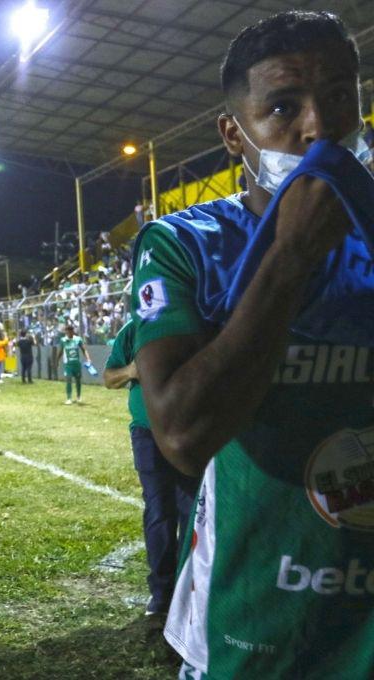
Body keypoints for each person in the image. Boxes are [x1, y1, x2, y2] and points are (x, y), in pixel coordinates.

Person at [131, 12, 374, 678]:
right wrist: (291, 257)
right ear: (233, 134)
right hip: (247, 628)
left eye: (339, 96)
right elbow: (181, 434)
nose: (319, 127)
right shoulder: (183, 245)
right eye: (282, 107)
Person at [104, 321, 198, 617]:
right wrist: (132, 370)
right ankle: (162, 593)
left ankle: (188, 591)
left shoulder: (192, 323)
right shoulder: (132, 331)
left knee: (189, 510)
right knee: (159, 511)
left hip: (187, 431)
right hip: (147, 432)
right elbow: (109, 377)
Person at [59, 324, 90, 404]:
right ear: (65, 332)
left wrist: (88, 358)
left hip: (77, 363)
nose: (69, 333)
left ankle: (78, 397)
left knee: (78, 380)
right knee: (68, 379)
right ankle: (69, 398)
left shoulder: (78, 339)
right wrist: (57, 360)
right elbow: (60, 351)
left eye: (70, 331)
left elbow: (84, 349)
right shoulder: (63, 340)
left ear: (73, 332)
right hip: (68, 364)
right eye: (67, 331)